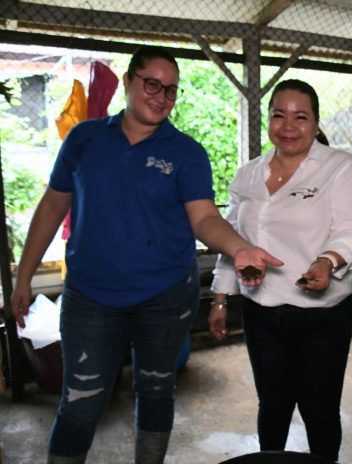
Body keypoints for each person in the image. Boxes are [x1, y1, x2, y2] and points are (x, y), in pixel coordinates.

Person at [10, 45, 280, 464]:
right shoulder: (85, 139)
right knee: (81, 399)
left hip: (165, 296)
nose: (161, 96)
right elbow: (51, 207)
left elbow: (204, 218)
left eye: (171, 90)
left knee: (155, 389)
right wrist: (23, 276)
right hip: (90, 296)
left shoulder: (186, 152)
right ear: (129, 82)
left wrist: (239, 246)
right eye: (152, 84)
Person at [208, 79, 352, 462]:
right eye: (278, 115)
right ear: (268, 120)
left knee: (320, 411)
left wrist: (327, 261)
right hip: (261, 312)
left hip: (322, 317)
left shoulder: (339, 167)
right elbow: (233, 237)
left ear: (316, 123)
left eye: (301, 117)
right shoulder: (249, 173)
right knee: (272, 405)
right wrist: (219, 298)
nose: (288, 126)